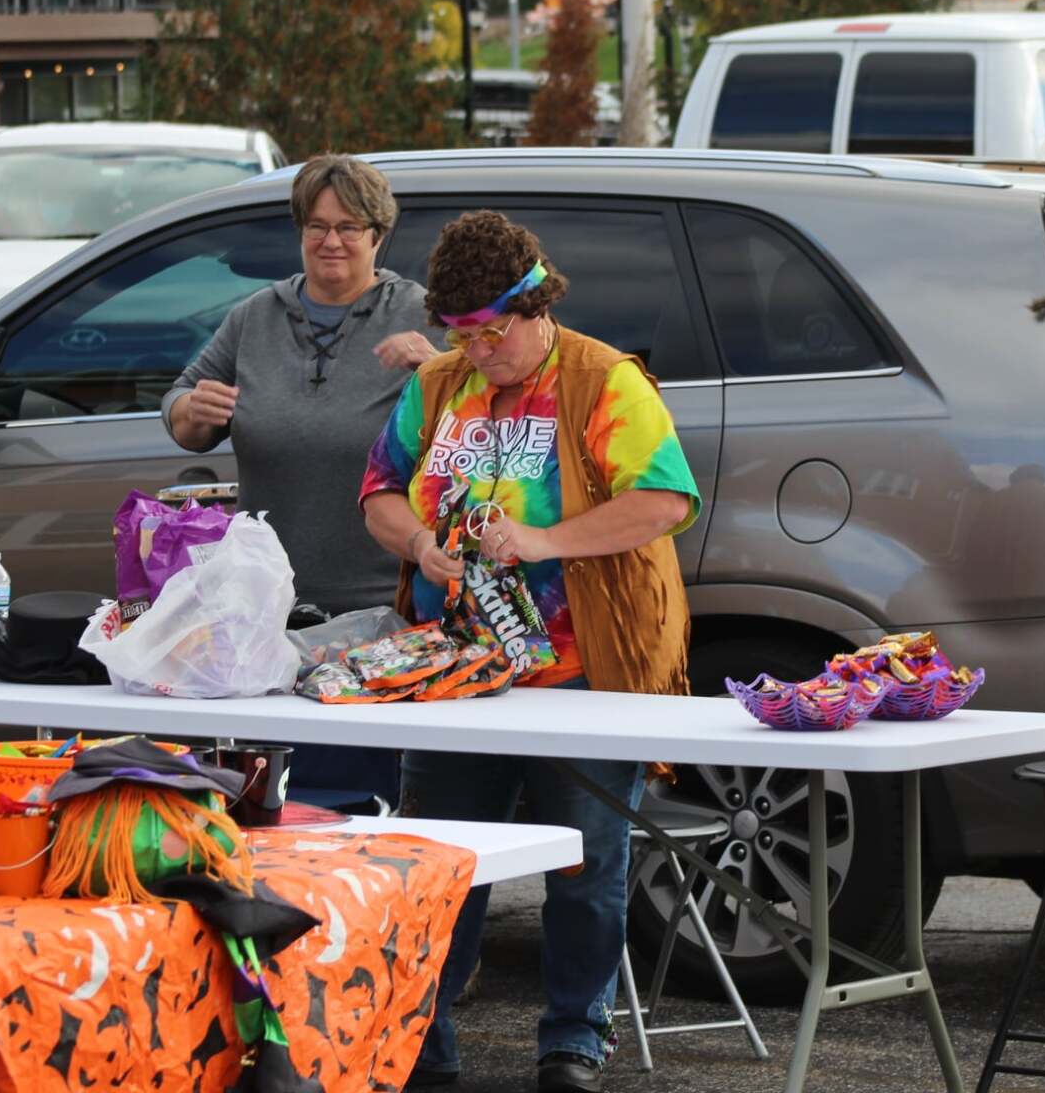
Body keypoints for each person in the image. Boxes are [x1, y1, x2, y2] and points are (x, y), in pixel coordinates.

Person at [359, 210, 699, 1093]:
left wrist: (547, 542)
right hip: (455, 676)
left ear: (535, 305)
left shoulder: (602, 381)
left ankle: (574, 1041)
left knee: (586, 865)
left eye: (491, 333)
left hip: (581, 669)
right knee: (437, 869)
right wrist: (418, 545)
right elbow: (380, 493)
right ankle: (420, 1047)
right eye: (460, 334)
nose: (476, 351)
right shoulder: (436, 386)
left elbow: (664, 500)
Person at [163, 154, 441, 803]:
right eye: (316, 226)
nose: (332, 241)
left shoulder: (420, 312)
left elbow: (484, 411)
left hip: (384, 609)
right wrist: (190, 412)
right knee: (284, 801)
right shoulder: (256, 316)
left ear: (379, 234)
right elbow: (183, 409)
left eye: (350, 226)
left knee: (367, 802)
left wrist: (436, 367)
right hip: (268, 609)